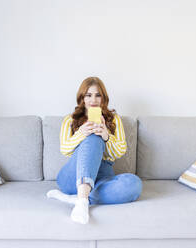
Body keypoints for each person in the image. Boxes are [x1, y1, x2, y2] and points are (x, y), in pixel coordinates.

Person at [46, 76, 142, 224]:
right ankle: (84, 200)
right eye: (88, 95)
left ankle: (78, 198)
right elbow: (64, 149)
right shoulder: (69, 120)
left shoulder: (114, 119)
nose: (93, 100)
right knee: (92, 138)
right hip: (73, 174)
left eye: (98, 95)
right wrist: (81, 134)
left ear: (104, 98)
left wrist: (106, 136)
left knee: (134, 184)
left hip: (102, 174)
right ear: (82, 98)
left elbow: (120, 150)